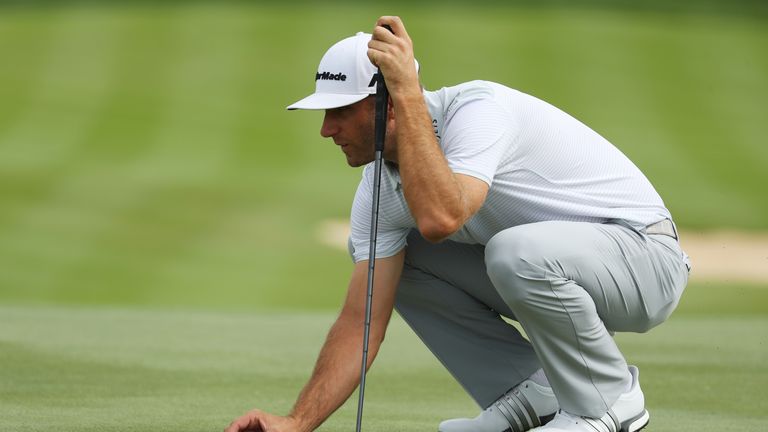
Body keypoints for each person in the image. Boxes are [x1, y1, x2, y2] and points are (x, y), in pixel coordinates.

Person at [225, 16, 690, 432]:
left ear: (387, 100)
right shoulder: (377, 187)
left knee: (515, 252)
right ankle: (533, 391)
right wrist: (297, 423)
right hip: (568, 270)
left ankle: (608, 400)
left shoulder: (478, 111)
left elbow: (442, 217)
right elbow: (360, 321)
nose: (327, 129)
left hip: (645, 262)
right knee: (392, 259)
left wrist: (406, 92)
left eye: (340, 111)